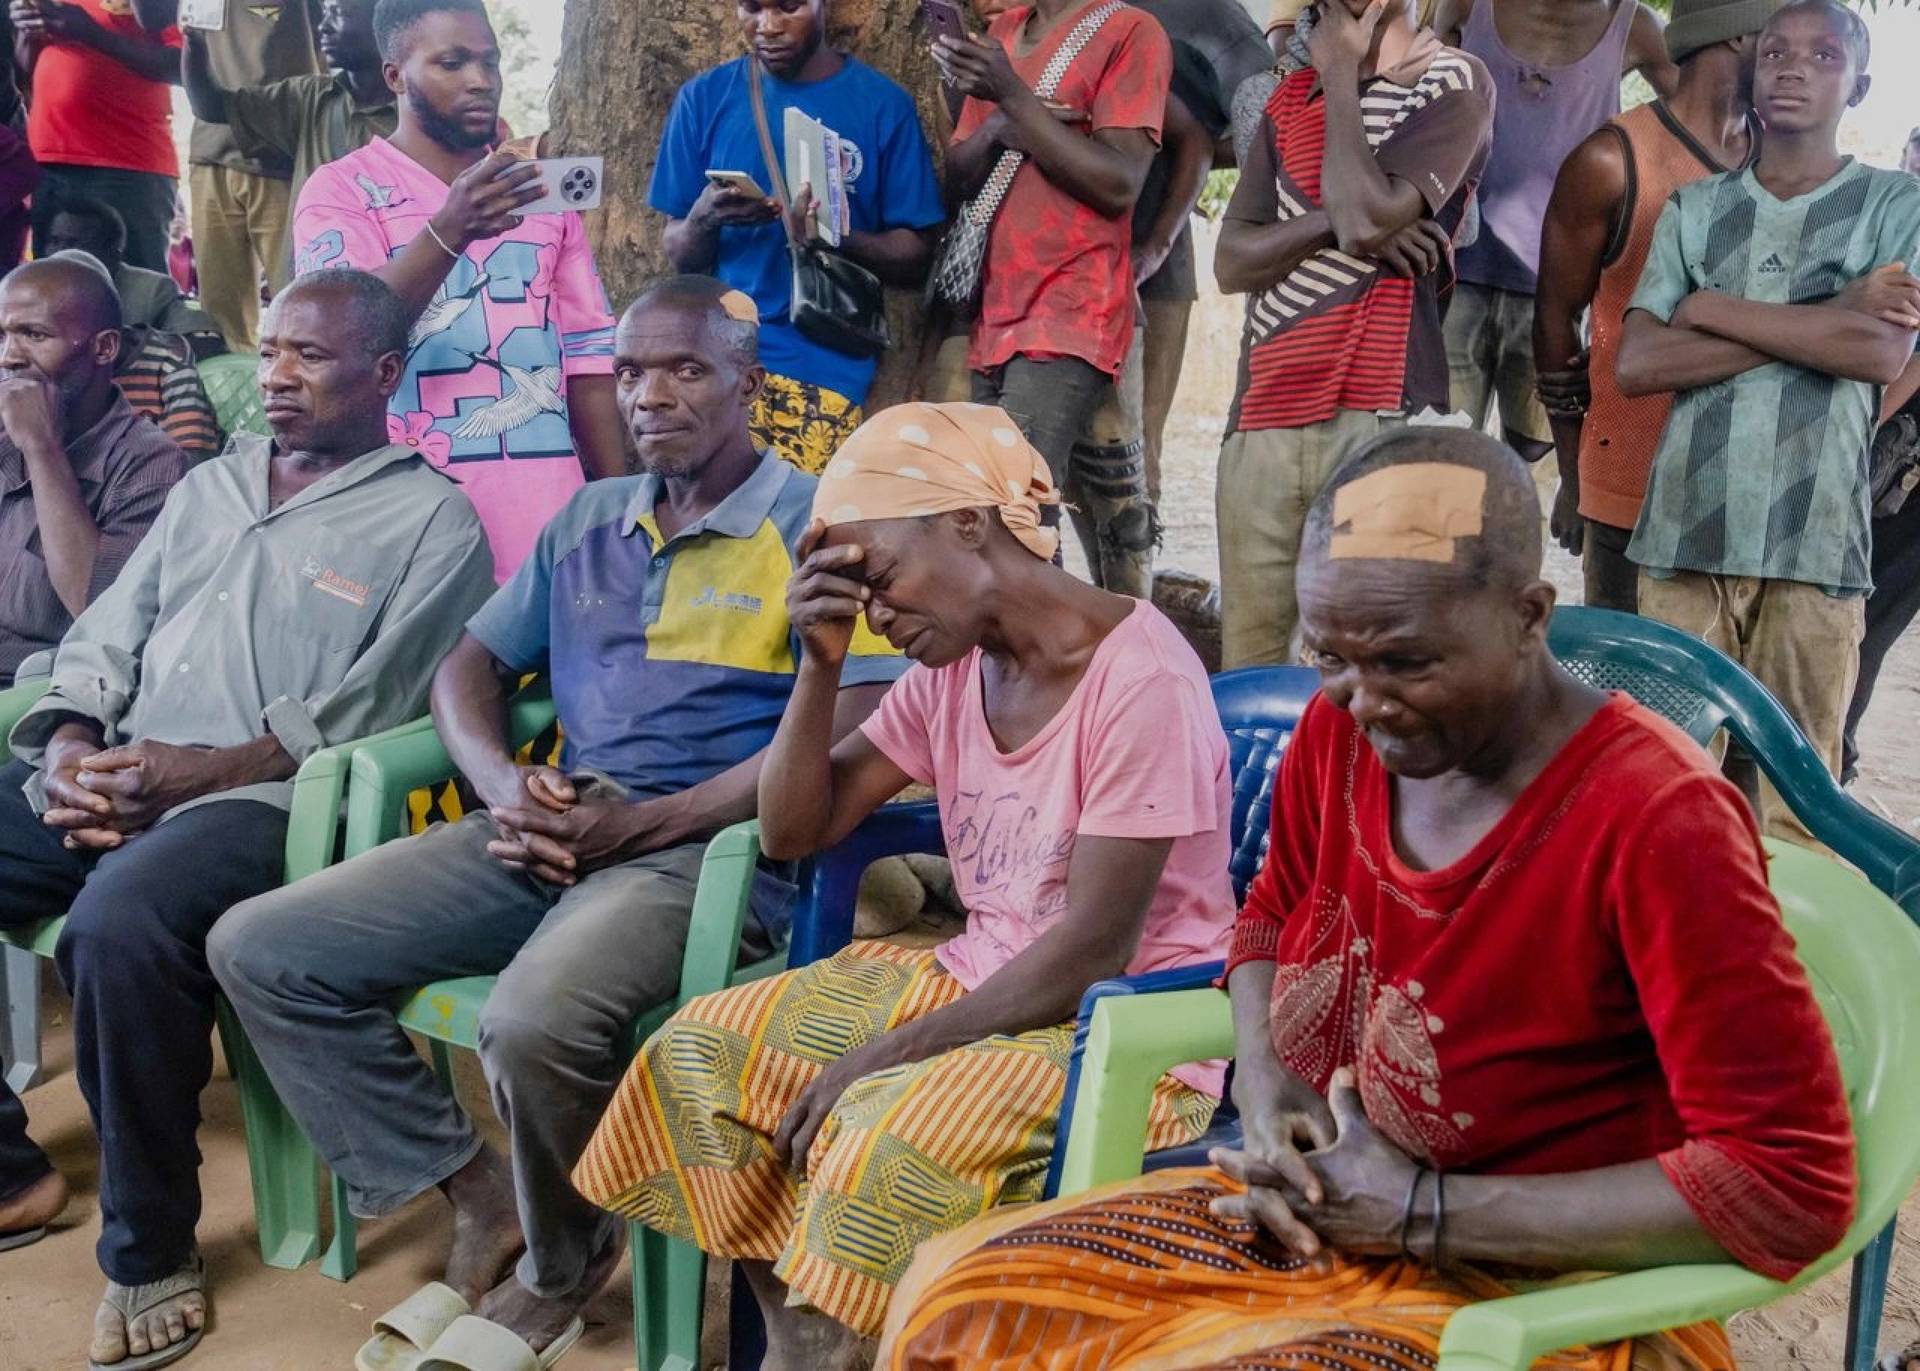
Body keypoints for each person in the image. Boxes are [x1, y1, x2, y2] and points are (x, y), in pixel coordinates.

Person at [877, 427, 1857, 1371]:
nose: (1362, 698)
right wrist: (1263, 1078)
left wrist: (1423, 1213)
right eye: (1333, 658)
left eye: (1405, 662)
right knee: (961, 1297)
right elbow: (1265, 917)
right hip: (1329, 1210)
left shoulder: (1657, 823)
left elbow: (1787, 1186)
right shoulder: (1343, 736)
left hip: (1545, 1282)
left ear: (1529, 615)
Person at [211, 278, 906, 1367]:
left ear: (747, 384)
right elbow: (469, 667)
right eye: (630, 372)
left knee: (532, 1023)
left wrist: (640, 828)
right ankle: (481, 1190)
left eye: (685, 370)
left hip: (706, 854)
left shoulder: (810, 527)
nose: (650, 396)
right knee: (261, 946)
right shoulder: (589, 517)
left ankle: (563, 1264)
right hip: (554, 825)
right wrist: (499, 783)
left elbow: (854, 735)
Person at [573, 399, 1236, 1364]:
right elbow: (798, 829)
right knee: (701, 1056)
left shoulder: (1140, 682)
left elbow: (1095, 945)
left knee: (884, 1126)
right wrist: (818, 664)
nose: (876, 611)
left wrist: (884, 1055)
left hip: (1130, 1022)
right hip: (981, 976)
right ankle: (811, 1340)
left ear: (969, 522)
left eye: (879, 579)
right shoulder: (953, 670)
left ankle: (847, 1339)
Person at [0, 267, 490, 1370]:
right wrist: (75, 744)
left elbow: (363, 717)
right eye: (270, 352)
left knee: (118, 928)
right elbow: (106, 635)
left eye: (308, 357)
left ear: (382, 373)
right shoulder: (211, 486)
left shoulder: (433, 522)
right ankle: (9, 1173)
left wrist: (191, 775)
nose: (275, 377)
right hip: (119, 770)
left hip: (267, 805)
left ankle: (150, 1249)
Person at [1616, 0, 1920, 846]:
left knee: (1795, 814)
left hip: (1814, 551)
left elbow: (1878, 353)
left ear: (1859, 87)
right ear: (1750, 68)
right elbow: (1639, 363)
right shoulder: (1695, 210)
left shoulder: (1896, 204)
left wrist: (1710, 309)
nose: (1792, 66)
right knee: (1664, 795)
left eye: (1824, 55)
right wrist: (1829, 312)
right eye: (1777, 50)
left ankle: (1779, 976)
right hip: (1684, 539)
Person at [292, 0, 626, 582]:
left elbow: (589, 360)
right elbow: (340, 338)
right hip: (403, 527)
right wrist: (451, 228)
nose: (480, 81)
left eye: (488, 62)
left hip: (551, 528)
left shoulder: (538, 193)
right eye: (451, 63)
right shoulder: (341, 192)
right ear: (395, 75)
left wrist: (621, 506)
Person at [1211, 0, 1492, 667]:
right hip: (1263, 415)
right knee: (1249, 669)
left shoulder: (1453, 81)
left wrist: (1339, 75)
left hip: (1381, 412)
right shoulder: (1287, 97)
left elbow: (1366, 222)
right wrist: (1334, 221)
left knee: (1373, 667)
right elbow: (1231, 261)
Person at [1532, 0, 1766, 614]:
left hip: (1750, 500)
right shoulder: (1612, 161)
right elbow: (1556, 324)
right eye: (1784, 35)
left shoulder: (1781, 159)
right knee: (1633, 695)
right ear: (1742, 34)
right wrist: (1576, 477)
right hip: (1633, 489)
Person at [934, 0, 1171, 583]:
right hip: (994, 309)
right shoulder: (1005, 33)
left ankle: (1065, 661)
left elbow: (1119, 184)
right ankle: (1040, 659)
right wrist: (995, 122)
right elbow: (960, 177)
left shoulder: (1131, 31)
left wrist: (1011, 97)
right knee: (999, 506)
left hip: (1072, 303)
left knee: (1011, 506)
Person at [653, 0, 943, 476]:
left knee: (793, 536)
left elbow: (916, 256)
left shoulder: (881, 105)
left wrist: (833, 236)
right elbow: (681, 254)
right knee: (711, 535)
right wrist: (704, 218)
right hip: (716, 370)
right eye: (752, 8)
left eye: (789, 8)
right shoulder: (704, 99)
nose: (767, 27)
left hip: (821, 367)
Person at [1434, 0, 1677, 463]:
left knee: (1533, 448)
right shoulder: (1469, 6)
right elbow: (1422, 98)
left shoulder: (1632, 25)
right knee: (1446, 450)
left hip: (1556, 293)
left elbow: (1699, 118)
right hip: (1455, 271)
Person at [0, 255, 185, 686]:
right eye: (2, 336)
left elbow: (99, 609)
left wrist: (43, 448)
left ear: (104, 347)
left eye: (33, 335)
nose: (9, 357)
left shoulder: (150, 462)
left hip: (36, 686)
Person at [135, 0, 322, 354]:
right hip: (211, 150)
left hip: (281, 151)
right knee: (220, 322)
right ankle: (231, 405)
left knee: (300, 308)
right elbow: (151, 17)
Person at [183, 0, 398, 225]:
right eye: (326, 13)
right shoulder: (310, 96)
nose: (322, 27)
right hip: (311, 255)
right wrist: (193, 44)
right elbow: (210, 107)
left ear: (382, 26)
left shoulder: (414, 116)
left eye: (337, 14)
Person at [10, 0, 184, 273]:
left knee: (134, 287)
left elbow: (179, 65)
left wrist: (92, 34)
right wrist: (26, 32)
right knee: (52, 286)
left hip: (126, 164)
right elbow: (29, 68)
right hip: (49, 159)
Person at [44, 197, 221, 349]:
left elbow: (204, 343)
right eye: (55, 241)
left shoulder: (151, 292)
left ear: (113, 253)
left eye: (77, 243)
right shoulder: (26, 287)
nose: (61, 252)